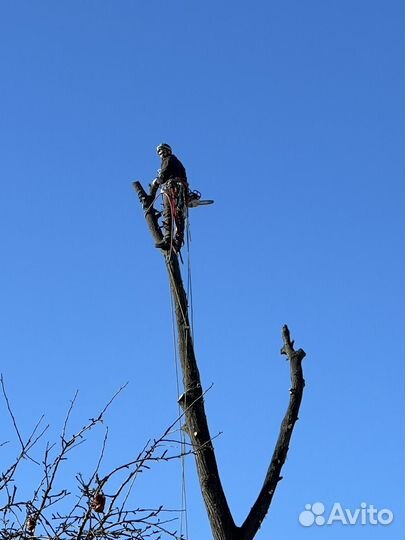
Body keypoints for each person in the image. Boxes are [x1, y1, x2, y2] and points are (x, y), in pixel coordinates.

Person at [149, 143, 188, 251]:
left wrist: (156, 182)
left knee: (169, 212)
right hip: (180, 191)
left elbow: (163, 175)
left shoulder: (168, 160)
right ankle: (177, 242)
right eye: (160, 152)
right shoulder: (176, 161)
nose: (161, 154)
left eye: (162, 151)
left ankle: (167, 239)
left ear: (168, 151)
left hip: (172, 188)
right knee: (179, 216)